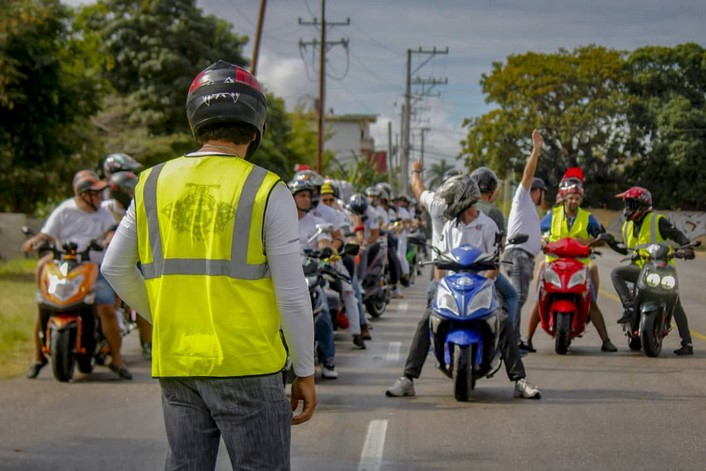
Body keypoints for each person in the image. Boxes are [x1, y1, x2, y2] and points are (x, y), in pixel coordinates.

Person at [101, 60, 316, 470]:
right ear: (255, 129)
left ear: (196, 122)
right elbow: (291, 292)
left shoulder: (150, 182)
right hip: (248, 364)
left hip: (178, 361)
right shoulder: (267, 188)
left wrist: (164, 317)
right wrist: (304, 370)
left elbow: (115, 267)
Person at [386, 174, 541, 399]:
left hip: (482, 284)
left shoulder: (488, 226)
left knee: (503, 319)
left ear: (463, 198)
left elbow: (495, 264)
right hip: (452, 285)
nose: (447, 205)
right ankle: (408, 378)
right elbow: (440, 262)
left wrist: (486, 283)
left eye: (451, 200)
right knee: (428, 317)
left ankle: (519, 381)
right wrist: (440, 284)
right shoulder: (450, 226)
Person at [23, 170, 132, 380]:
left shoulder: (103, 213)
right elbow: (47, 233)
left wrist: (109, 238)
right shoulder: (65, 210)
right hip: (65, 267)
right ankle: (38, 357)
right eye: (96, 193)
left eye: (101, 193)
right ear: (84, 194)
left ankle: (116, 359)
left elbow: (112, 230)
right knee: (45, 306)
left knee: (107, 309)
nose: (101, 197)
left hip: (93, 267)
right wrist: (34, 240)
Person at [519, 175, 618, 353]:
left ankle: (606, 340)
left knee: (592, 300)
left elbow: (600, 239)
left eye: (577, 198)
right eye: (571, 197)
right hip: (554, 263)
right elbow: (538, 233)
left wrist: (590, 240)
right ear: (564, 197)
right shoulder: (552, 215)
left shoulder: (588, 218)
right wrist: (542, 240)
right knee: (539, 297)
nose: (574, 201)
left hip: (579, 265)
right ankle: (528, 339)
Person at [610, 186, 695, 355]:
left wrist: (687, 247)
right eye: (626, 205)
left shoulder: (657, 220)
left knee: (675, 301)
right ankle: (630, 308)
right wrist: (610, 242)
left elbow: (677, 235)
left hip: (662, 268)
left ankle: (688, 343)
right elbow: (627, 249)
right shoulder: (628, 225)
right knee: (616, 273)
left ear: (642, 205)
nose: (627, 209)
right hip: (639, 269)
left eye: (631, 205)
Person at [103, 170, 153, 360]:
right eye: (129, 190)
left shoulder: (136, 205)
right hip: (100, 259)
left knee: (140, 293)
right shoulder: (105, 209)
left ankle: (147, 341)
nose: (132, 193)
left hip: (134, 259)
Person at [504, 129, 546, 341]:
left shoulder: (529, 209)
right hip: (518, 255)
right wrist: (536, 151)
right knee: (517, 297)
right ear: (537, 191)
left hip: (523, 256)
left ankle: (514, 338)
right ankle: (511, 339)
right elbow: (527, 175)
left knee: (518, 297)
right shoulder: (522, 198)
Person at [470, 166, 520, 334]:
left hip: (458, 267)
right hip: (486, 270)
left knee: (433, 295)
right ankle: (510, 340)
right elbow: (501, 247)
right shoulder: (495, 213)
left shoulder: (462, 208)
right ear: (491, 190)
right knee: (512, 296)